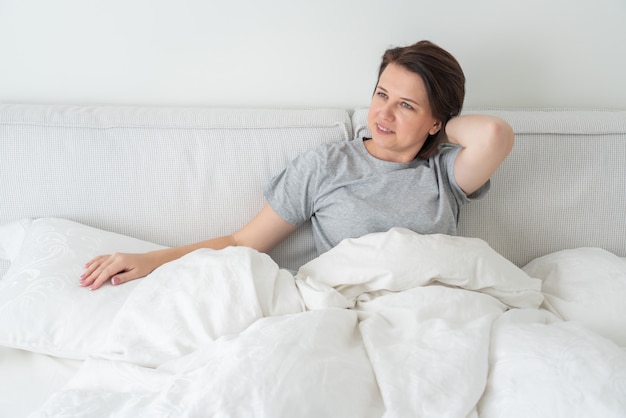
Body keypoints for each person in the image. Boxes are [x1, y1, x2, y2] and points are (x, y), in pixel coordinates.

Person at [80, 40, 514, 291]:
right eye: (381, 94)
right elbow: (242, 240)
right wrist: (152, 260)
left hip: (437, 304)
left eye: (406, 105)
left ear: (437, 119)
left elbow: (494, 134)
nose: (384, 115)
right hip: (353, 304)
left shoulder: (446, 170)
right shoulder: (326, 164)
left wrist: (437, 130)